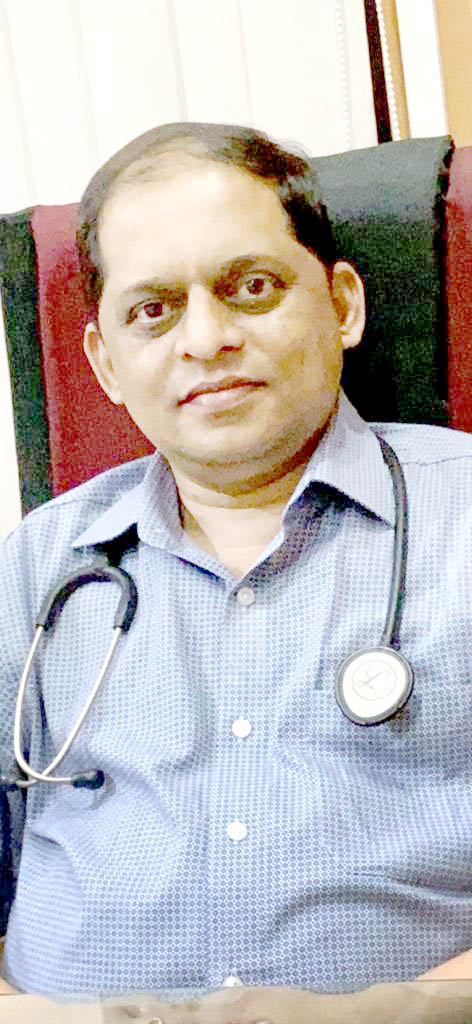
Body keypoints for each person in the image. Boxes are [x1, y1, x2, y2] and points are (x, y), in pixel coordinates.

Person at [1, 121, 472, 1018]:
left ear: (342, 304)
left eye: (250, 287)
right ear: (105, 363)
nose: (206, 338)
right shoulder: (36, 565)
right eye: (153, 310)